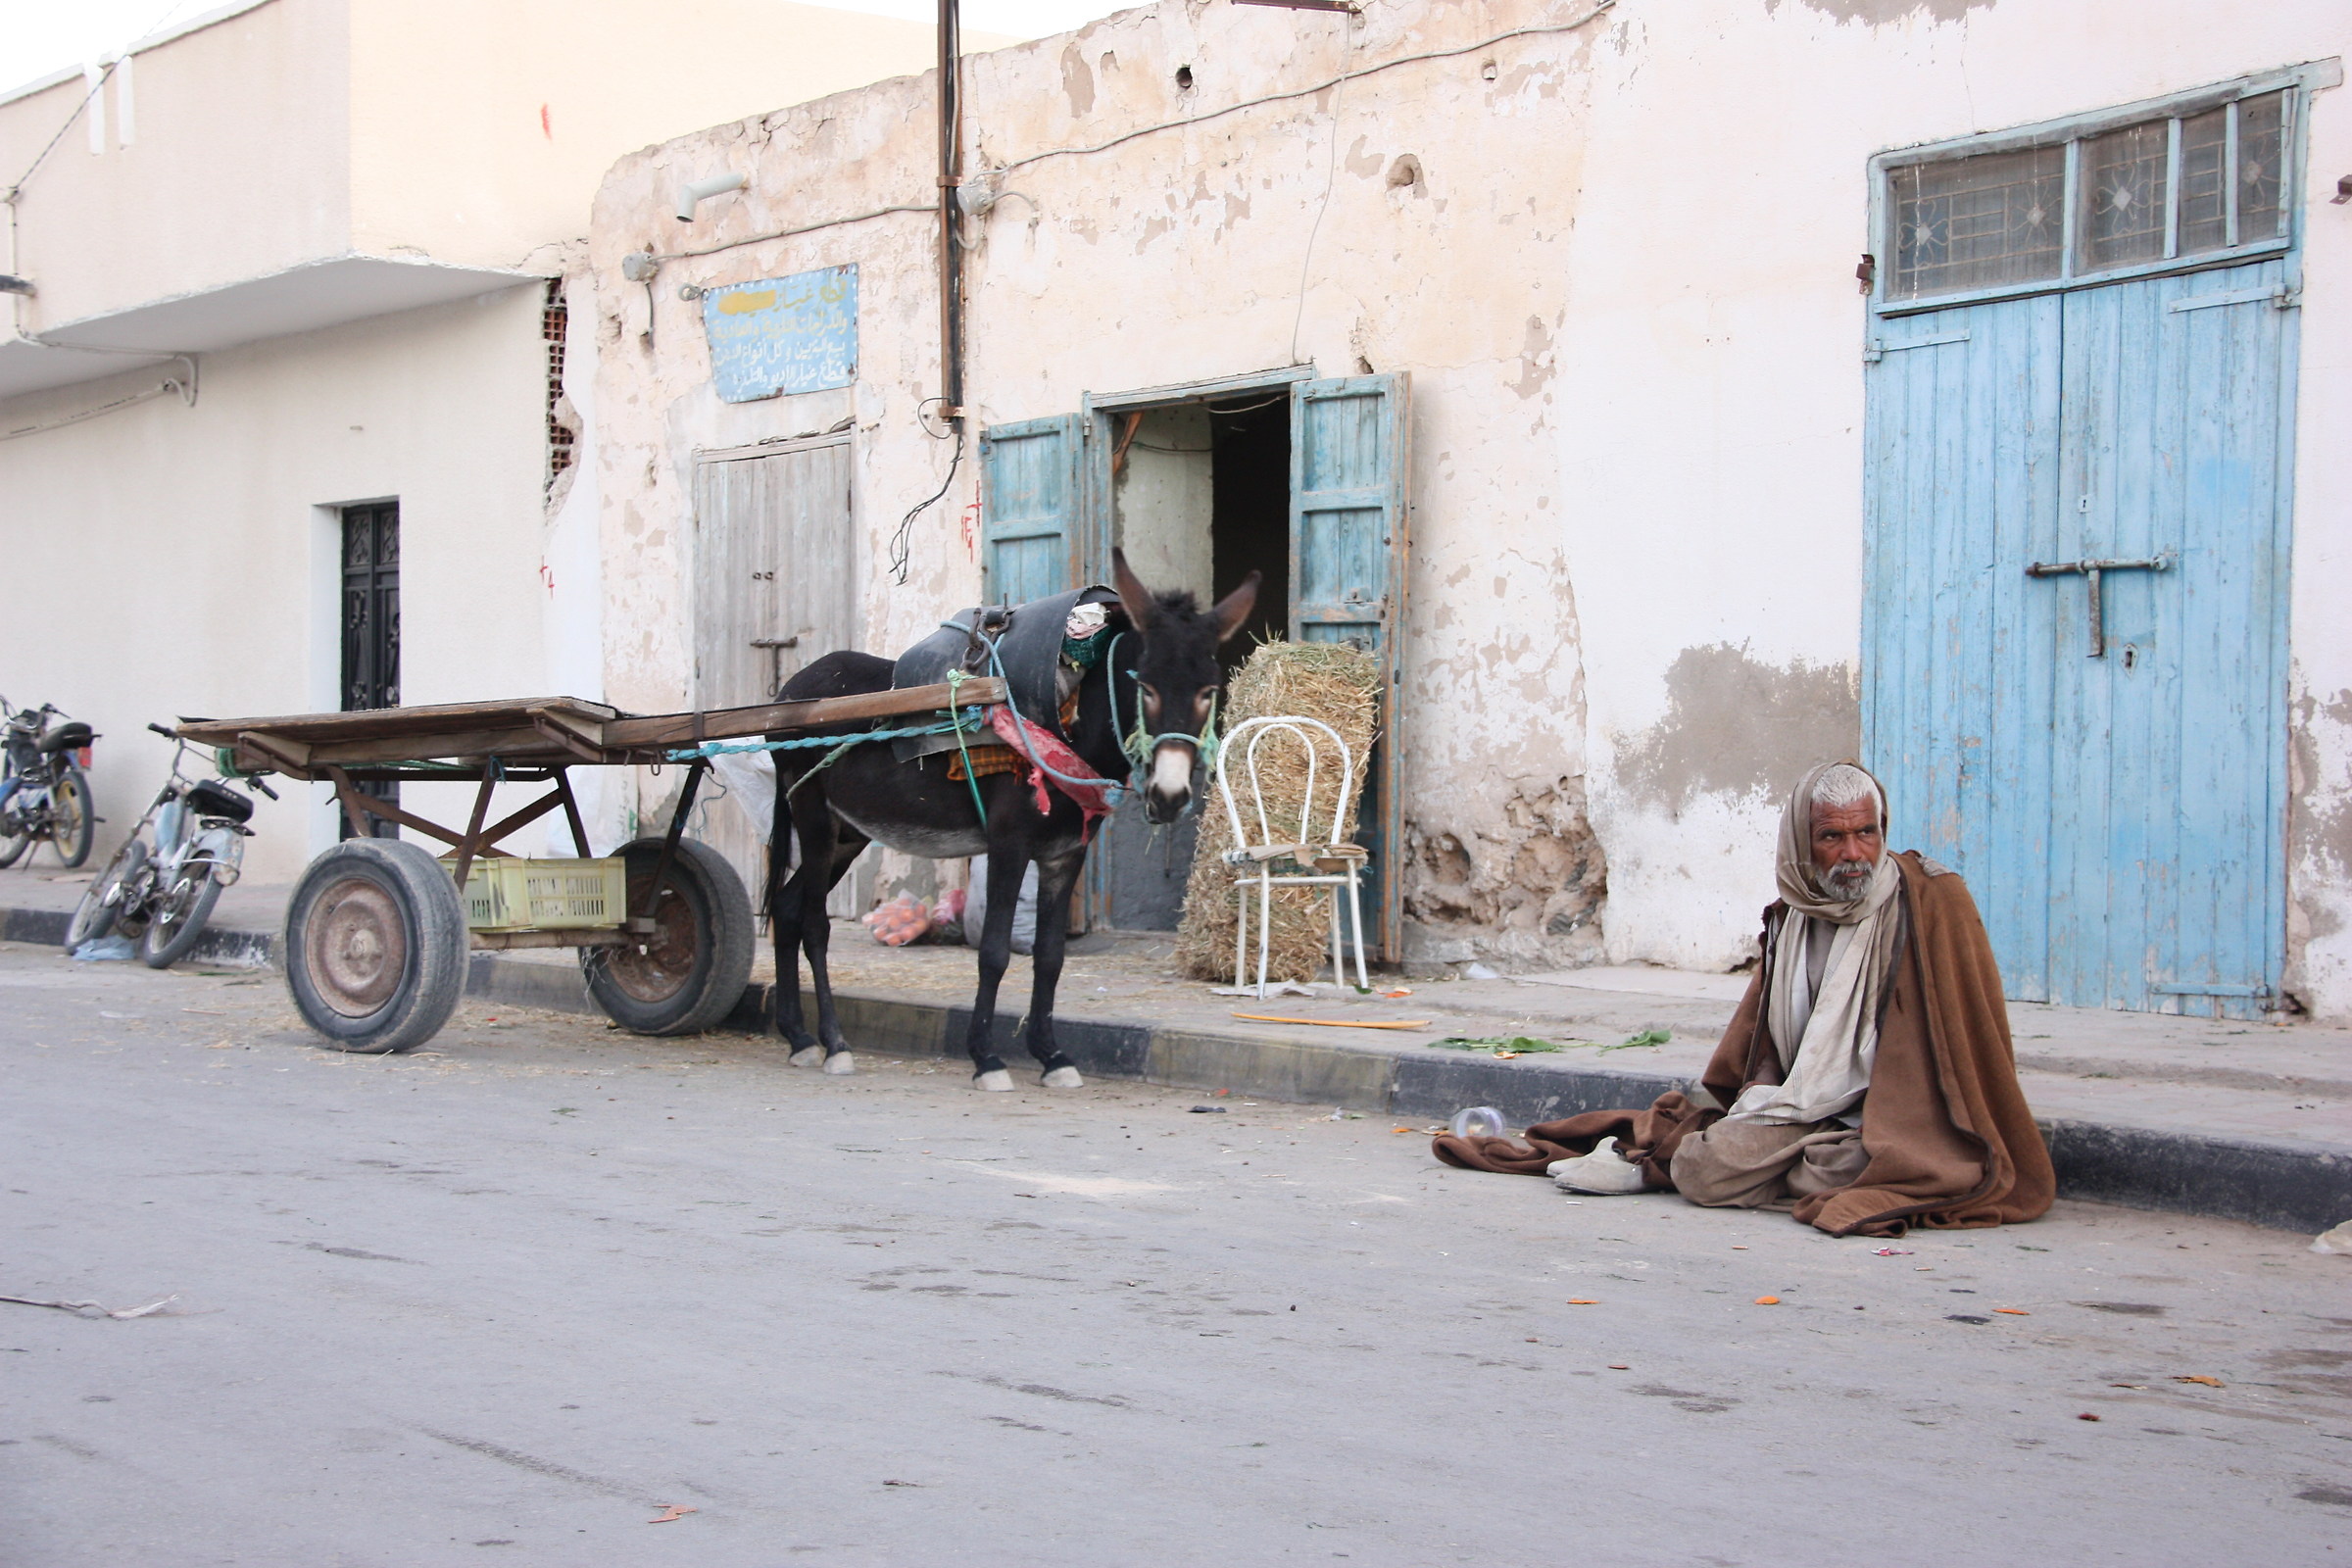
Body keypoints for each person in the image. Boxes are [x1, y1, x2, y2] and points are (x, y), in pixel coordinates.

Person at [1432, 760, 2052, 1236]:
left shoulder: (1935, 900)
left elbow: (1974, 1038)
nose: (1855, 853)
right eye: (1833, 837)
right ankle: (1750, 1159)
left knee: (1855, 1168)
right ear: (1802, 843)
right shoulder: (1792, 915)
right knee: (1712, 1166)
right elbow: (1764, 1040)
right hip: (1807, 1111)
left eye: (1867, 833)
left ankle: (1744, 1164)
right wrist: (1751, 1107)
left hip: (1900, 1116)